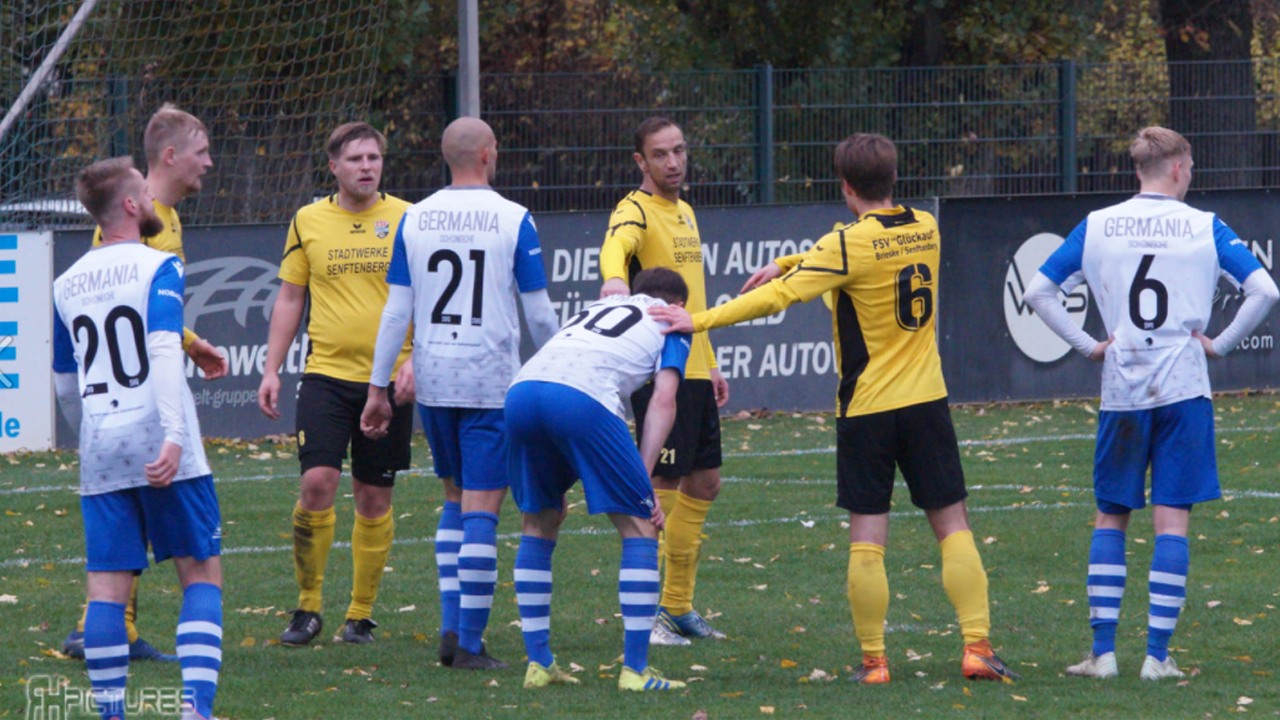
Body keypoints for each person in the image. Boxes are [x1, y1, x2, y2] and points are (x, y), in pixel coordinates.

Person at [651, 133, 1019, 684]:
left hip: (868, 408)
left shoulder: (847, 247)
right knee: (952, 524)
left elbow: (779, 298)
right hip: (927, 402)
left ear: (846, 188)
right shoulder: (926, 225)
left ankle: (874, 663)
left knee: (868, 536)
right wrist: (789, 260)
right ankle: (978, 647)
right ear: (892, 179)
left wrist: (697, 320)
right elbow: (844, 249)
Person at [1025, 126, 1279, 681]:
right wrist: (1219, 344)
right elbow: (1266, 290)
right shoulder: (1204, 226)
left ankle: (1104, 654)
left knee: (1112, 514)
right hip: (1184, 385)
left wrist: (1090, 346)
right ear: (1180, 169)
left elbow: (1038, 291)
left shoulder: (1098, 225)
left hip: (1123, 385)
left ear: (1137, 170)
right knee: (1172, 522)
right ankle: (1157, 658)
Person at [360, 117, 559, 670]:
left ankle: (452, 626)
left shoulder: (414, 218)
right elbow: (538, 312)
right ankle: (469, 643)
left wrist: (379, 387)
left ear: (446, 157)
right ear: (490, 154)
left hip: (435, 378)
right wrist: (565, 365)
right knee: (482, 511)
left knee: (454, 499)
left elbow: (396, 310)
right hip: (489, 379)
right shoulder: (513, 218)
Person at [53, 157, 223, 720]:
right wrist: (173, 434)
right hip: (160, 440)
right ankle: (195, 709)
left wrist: (95, 437)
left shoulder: (64, 282)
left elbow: (65, 384)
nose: (152, 202)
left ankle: (111, 714)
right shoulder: (159, 266)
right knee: (200, 573)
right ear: (130, 205)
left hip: (102, 446)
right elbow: (163, 350)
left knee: (106, 588)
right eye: (145, 194)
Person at [257, 122, 416, 646]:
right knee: (317, 484)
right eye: (355, 159)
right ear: (333, 167)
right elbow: (289, 298)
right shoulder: (308, 220)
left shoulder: (409, 219)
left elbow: (430, 299)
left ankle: (361, 614)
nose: (367, 167)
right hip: (325, 375)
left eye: (374, 158)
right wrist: (271, 367)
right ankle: (307, 608)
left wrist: (416, 360)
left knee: (374, 498)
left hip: (390, 382)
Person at [506, 267, 691, 692]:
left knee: (539, 520)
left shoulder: (600, 306)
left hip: (521, 392)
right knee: (640, 525)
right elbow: (664, 400)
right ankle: (636, 671)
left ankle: (539, 664)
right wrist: (643, 484)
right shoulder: (673, 320)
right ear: (677, 305)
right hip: (580, 395)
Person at [598, 116, 728, 646]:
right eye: (661, 154)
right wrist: (612, 277)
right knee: (660, 490)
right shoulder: (634, 209)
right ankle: (647, 614)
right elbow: (616, 246)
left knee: (705, 484)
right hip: (661, 370)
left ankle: (678, 607)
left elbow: (692, 296)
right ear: (641, 162)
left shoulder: (687, 211)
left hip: (695, 366)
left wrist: (713, 361)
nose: (673, 162)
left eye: (679, 151)